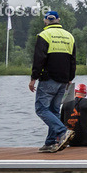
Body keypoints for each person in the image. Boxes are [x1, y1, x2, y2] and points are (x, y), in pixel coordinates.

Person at [29, 11, 76, 153]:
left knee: (41, 109)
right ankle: (50, 142)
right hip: (63, 80)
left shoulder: (43, 35)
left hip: (48, 78)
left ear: (45, 21)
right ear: (58, 20)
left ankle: (63, 131)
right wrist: (70, 78)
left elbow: (39, 58)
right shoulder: (69, 36)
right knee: (54, 111)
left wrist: (33, 78)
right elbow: (73, 60)